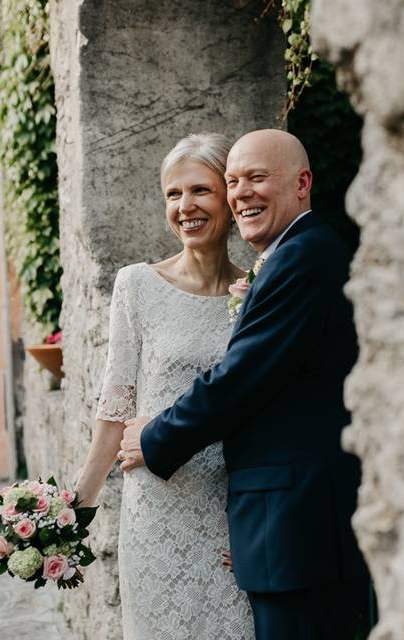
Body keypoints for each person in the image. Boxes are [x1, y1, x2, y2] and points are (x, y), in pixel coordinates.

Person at [119, 129, 371, 640]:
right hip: (278, 523)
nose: (242, 193)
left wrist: (153, 437)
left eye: (257, 178)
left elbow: (239, 380)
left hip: (297, 528)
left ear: (303, 183)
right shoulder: (287, 255)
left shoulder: (304, 256)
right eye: (233, 181)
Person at [74, 133, 253, 639]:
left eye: (200, 190)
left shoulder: (257, 290)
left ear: (229, 195)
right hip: (156, 513)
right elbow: (116, 404)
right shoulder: (136, 286)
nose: (185, 207)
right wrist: (75, 504)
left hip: (227, 514)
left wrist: (257, 525)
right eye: (173, 195)